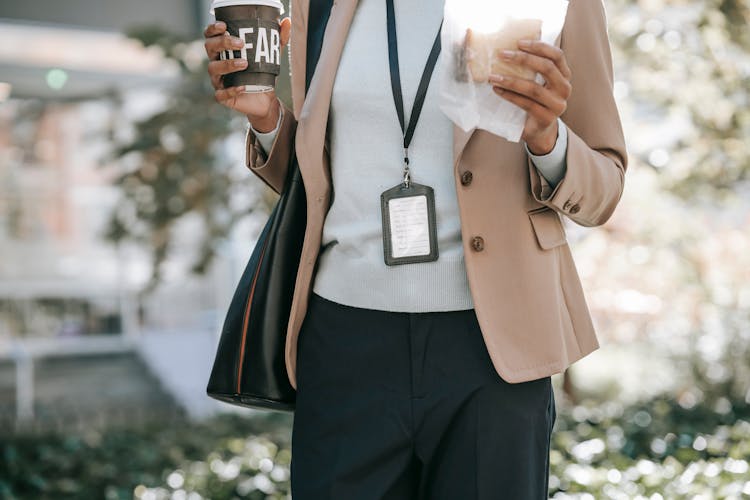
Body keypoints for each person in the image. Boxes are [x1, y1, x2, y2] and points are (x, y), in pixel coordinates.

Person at [203, 0, 628, 497]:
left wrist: (546, 136)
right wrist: (268, 119)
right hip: (342, 343)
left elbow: (604, 188)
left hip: (493, 351)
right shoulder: (320, 5)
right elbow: (319, 186)